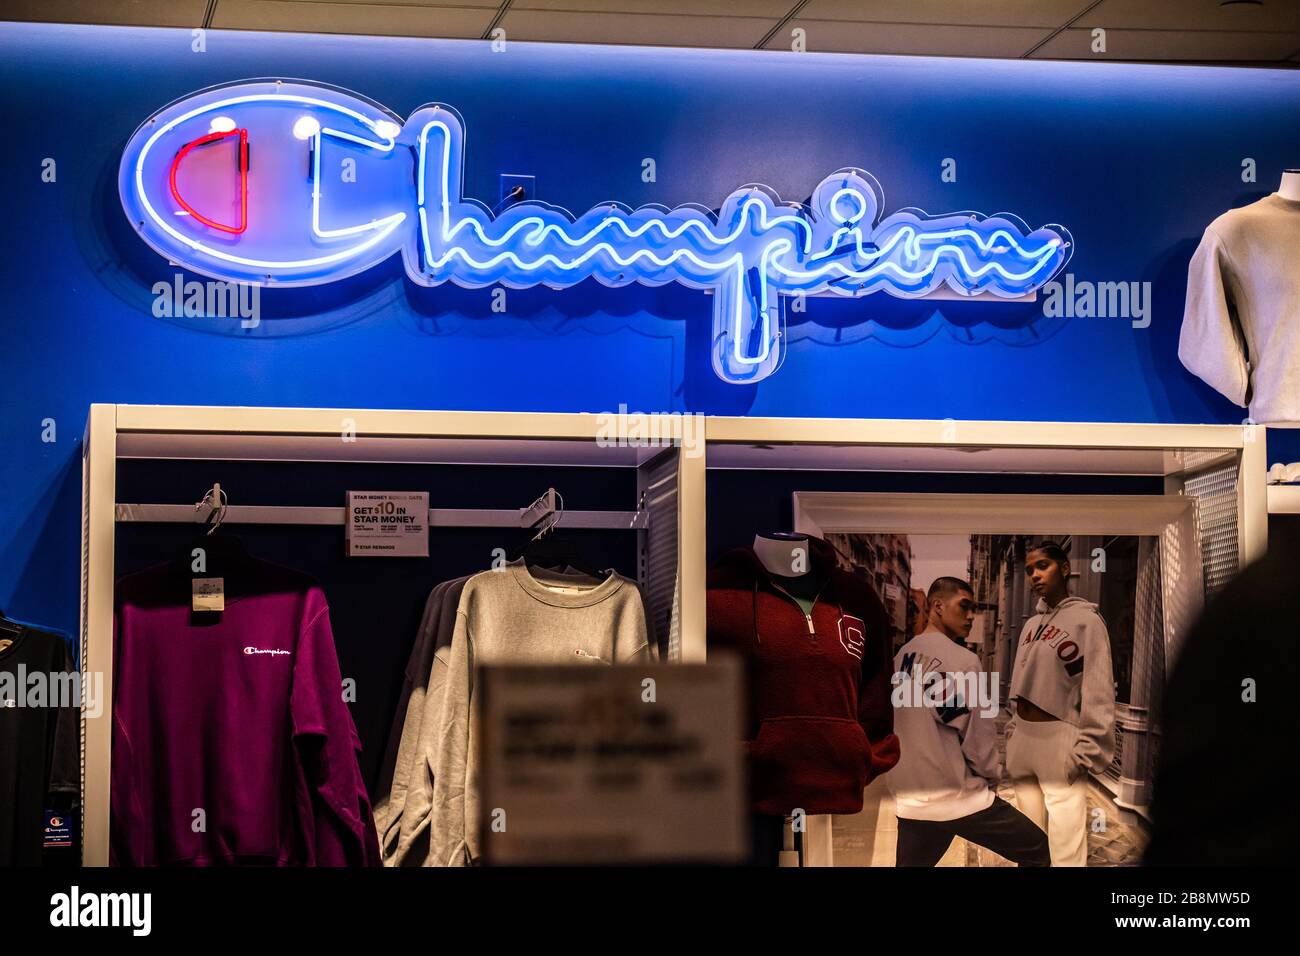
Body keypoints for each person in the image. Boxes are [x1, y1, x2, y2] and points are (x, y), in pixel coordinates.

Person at [888, 577, 1050, 867]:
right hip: (957, 798)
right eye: (964, 606)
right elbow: (977, 736)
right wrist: (992, 776)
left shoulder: (901, 657)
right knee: (1038, 849)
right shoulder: (962, 660)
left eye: (973, 608)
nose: (971, 616)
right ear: (937, 605)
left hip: (913, 799)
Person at [1005, 541, 1115, 867]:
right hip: (1023, 738)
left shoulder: (1087, 621)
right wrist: (1012, 732)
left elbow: (1098, 688)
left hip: (1058, 736)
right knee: (1029, 845)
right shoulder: (1028, 625)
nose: (1035, 575)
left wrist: (1086, 751)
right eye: (1029, 570)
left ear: (1064, 569)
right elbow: (1019, 684)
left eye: (1043, 566)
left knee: (1066, 847)